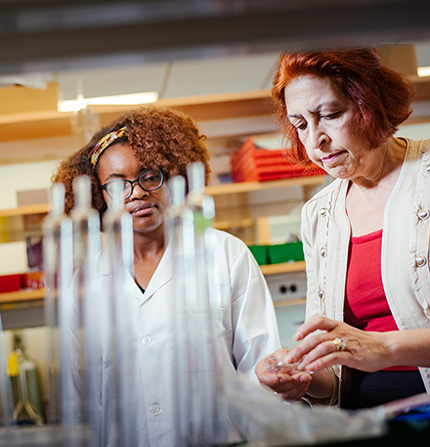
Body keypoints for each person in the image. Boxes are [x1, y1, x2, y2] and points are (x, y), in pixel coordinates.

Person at [255, 48, 430, 410]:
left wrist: (384, 348)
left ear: (371, 104)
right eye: (301, 124)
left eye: (330, 115)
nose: (315, 140)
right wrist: (302, 376)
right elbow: (334, 381)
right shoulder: (318, 214)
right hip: (361, 420)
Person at [52, 105, 281, 445]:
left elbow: (262, 369)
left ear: (174, 178)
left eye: (150, 175)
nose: (137, 193)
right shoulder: (84, 282)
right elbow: (75, 393)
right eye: (117, 186)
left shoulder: (225, 255)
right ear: (99, 197)